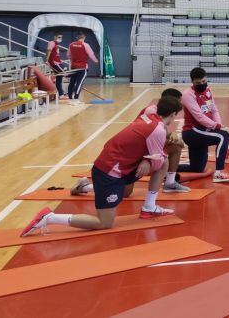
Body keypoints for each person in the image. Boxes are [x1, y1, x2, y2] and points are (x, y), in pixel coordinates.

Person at [21, 96, 183, 236]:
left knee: (151, 170)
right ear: (174, 114)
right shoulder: (158, 130)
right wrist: (148, 160)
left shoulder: (149, 115)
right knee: (104, 222)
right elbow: (157, 159)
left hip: (120, 165)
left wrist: (148, 158)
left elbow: (149, 142)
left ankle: (148, 207)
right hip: (110, 172)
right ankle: (49, 218)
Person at [178, 67, 229, 182]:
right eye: (198, 83)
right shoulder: (188, 95)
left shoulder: (208, 91)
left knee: (197, 168)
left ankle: (165, 168)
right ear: (192, 82)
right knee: (223, 136)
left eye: (204, 81)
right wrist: (220, 128)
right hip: (192, 132)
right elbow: (199, 117)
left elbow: (214, 110)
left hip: (202, 131)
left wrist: (220, 125)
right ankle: (219, 173)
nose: (202, 84)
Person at [137, 88, 190, 193]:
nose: (180, 105)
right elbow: (155, 138)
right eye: (179, 102)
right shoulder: (151, 112)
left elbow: (161, 135)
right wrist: (176, 141)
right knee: (125, 193)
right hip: (139, 149)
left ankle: (170, 183)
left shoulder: (160, 111)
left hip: (147, 144)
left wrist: (171, 135)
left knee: (174, 148)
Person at [67, 32, 98, 103]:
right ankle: (76, 99)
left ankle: (70, 98)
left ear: (77, 37)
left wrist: (73, 61)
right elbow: (91, 55)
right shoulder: (85, 45)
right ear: (84, 38)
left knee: (72, 82)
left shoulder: (71, 45)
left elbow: (68, 55)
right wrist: (96, 61)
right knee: (79, 83)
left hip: (73, 67)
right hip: (82, 68)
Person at [46, 32, 67, 100]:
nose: (60, 39)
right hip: (54, 63)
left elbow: (56, 54)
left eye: (61, 37)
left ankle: (61, 95)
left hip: (58, 62)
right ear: (55, 37)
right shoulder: (51, 43)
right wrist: (47, 60)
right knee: (64, 74)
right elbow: (49, 51)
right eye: (59, 37)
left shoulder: (56, 44)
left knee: (59, 78)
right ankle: (62, 94)